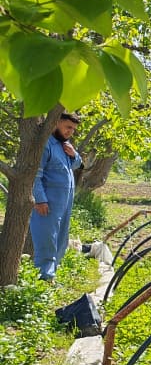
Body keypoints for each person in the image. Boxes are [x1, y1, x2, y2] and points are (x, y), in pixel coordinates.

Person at [30, 112, 82, 282]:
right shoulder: (46, 145)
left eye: (73, 129)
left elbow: (77, 164)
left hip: (65, 201)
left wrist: (74, 154)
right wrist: (40, 199)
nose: (70, 132)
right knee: (47, 239)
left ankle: (51, 275)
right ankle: (43, 278)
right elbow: (35, 175)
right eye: (68, 127)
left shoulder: (65, 145)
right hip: (48, 202)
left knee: (61, 238)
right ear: (56, 122)